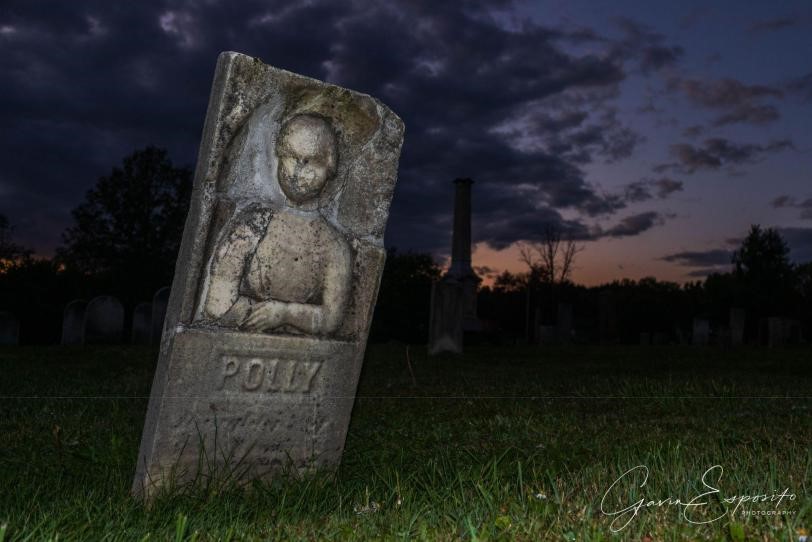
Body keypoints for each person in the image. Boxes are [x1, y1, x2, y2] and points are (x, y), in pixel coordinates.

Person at [202, 114, 351, 336]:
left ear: (330, 168)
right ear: (279, 157)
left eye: (313, 160)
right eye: (292, 156)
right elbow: (216, 304)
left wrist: (284, 314)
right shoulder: (253, 223)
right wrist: (265, 317)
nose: (299, 170)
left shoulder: (335, 246)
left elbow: (331, 319)